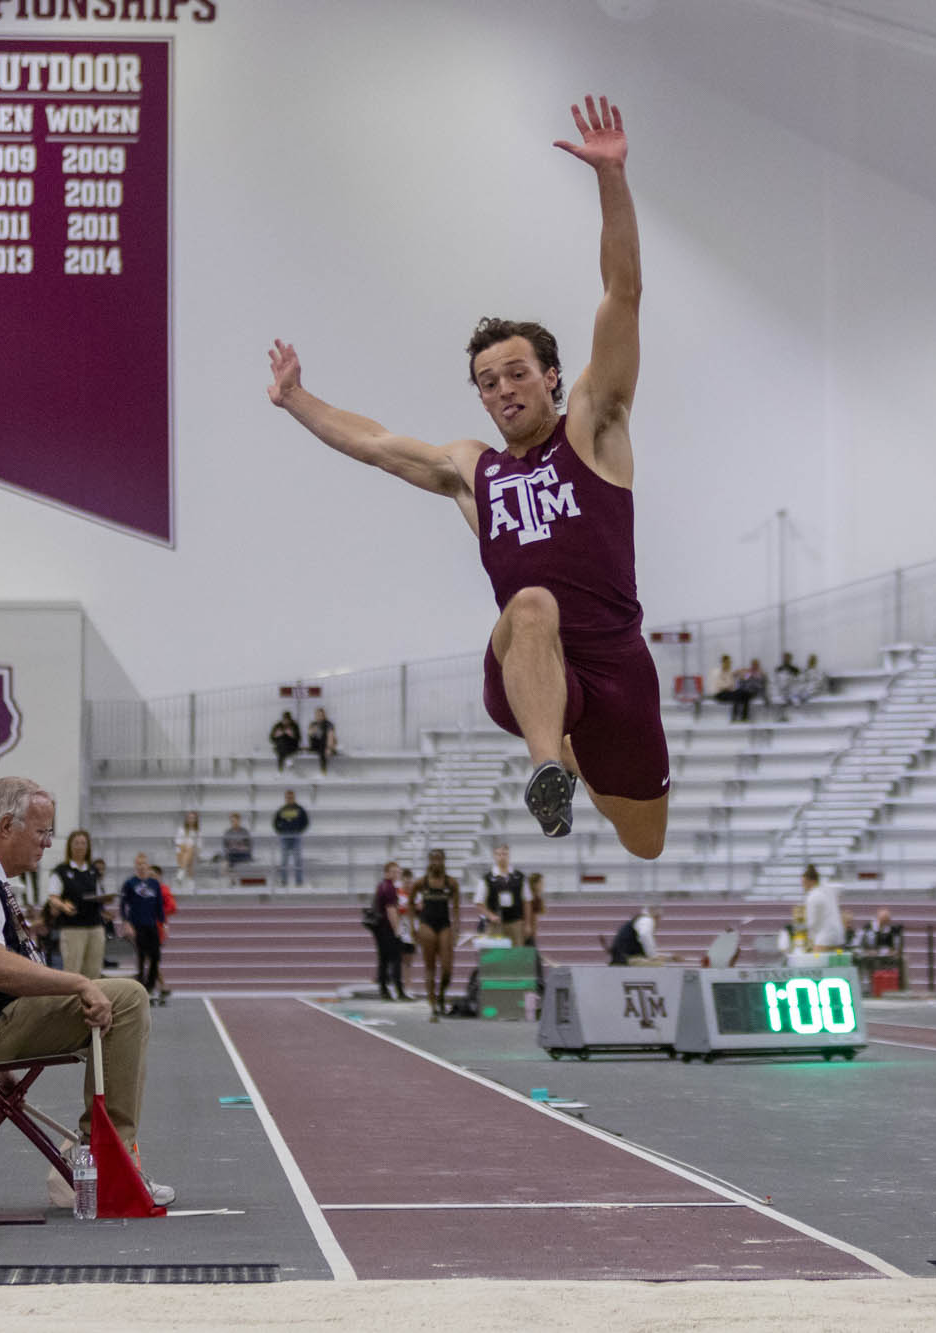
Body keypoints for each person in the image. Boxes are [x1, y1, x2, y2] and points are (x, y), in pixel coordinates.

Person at [266, 95, 668, 860]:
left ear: (552, 377)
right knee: (530, 604)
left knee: (644, 841)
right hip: (522, 663)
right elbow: (376, 442)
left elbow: (623, 295)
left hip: (615, 668)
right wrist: (295, 399)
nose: (503, 389)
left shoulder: (594, 425)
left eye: (517, 372)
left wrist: (610, 178)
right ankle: (548, 766)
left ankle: (573, 758)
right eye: (488, 381)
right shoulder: (469, 470)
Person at [0, 777, 170, 1202]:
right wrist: (79, 982)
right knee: (129, 998)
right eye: (42, 832)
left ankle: (92, 1157)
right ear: (6, 826)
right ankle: (104, 1166)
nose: (47, 843)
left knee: (115, 998)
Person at [44, 829, 110, 981]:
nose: (80, 846)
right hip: (72, 927)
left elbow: (100, 894)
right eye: (76, 843)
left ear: (88, 847)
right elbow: (53, 897)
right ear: (70, 846)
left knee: (94, 971)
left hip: (95, 926)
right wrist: (63, 906)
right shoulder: (61, 870)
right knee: (73, 970)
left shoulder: (93, 870)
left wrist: (106, 899)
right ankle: (72, 1004)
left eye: (83, 843)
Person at [411, 850, 460, 1021]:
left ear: (444, 861)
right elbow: (410, 904)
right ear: (429, 861)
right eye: (434, 859)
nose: (437, 863)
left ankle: (441, 995)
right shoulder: (421, 883)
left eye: (440, 859)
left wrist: (456, 930)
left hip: (444, 925)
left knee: (447, 968)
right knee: (430, 967)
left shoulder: (451, 883)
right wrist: (412, 927)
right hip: (427, 924)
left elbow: (456, 909)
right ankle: (433, 1005)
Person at [119, 852, 167, 1001]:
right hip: (137, 925)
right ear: (135, 866)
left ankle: (150, 985)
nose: (141, 867)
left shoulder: (154, 884)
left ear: (148, 866)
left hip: (152, 924)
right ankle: (141, 987)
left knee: (155, 956)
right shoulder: (130, 883)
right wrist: (126, 922)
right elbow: (123, 905)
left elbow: (159, 904)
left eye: (143, 864)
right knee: (141, 956)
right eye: (138, 864)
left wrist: (163, 923)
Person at [368, 862, 409, 1001]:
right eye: (394, 872)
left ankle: (384, 990)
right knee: (395, 960)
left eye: (398, 872)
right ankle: (399, 991)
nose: (397, 874)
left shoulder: (381, 886)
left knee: (383, 960)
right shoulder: (390, 888)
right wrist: (397, 931)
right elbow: (391, 911)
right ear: (387, 872)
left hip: (380, 928)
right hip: (387, 928)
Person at [477, 843, 530, 946]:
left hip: (516, 922)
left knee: (516, 954)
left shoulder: (520, 877)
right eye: (499, 854)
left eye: (504, 854)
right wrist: (491, 916)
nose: (502, 857)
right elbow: (478, 902)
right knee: (496, 957)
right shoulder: (486, 878)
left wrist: (527, 924)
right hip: (495, 924)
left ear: (509, 855)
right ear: (494, 856)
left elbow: (527, 901)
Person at [801, 864, 845, 949]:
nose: (803, 886)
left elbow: (812, 923)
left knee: (816, 961)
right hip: (839, 937)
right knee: (836, 962)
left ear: (811, 881)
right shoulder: (828, 889)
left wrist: (810, 941)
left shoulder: (812, 897)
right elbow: (840, 887)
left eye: (804, 883)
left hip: (825, 940)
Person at [272, 789, 309, 887]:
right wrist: (280, 831)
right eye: (288, 798)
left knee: (298, 860)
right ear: (285, 798)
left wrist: (299, 830)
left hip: (296, 836)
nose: (289, 799)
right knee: (284, 860)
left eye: (291, 797)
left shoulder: (299, 809)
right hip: (285, 836)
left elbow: (305, 822)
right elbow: (275, 822)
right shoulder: (282, 809)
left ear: (294, 798)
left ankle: (299, 882)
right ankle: (284, 881)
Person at [173, 811, 201, 894]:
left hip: (193, 854)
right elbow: (178, 843)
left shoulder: (198, 832)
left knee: (190, 850)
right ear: (186, 819)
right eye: (189, 818)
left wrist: (190, 849)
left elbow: (199, 846)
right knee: (188, 852)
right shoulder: (181, 830)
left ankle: (181, 872)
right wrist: (187, 848)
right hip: (181, 853)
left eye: (193, 818)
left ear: (196, 820)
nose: (191, 820)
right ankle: (190, 884)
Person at [306, 708, 338, 775]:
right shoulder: (313, 724)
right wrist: (314, 730)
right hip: (316, 745)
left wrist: (329, 748)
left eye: (321, 715)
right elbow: (309, 734)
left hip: (325, 745)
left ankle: (323, 771)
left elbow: (331, 736)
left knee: (324, 747)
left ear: (324, 715)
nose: (319, 717)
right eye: (317, 715)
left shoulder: (328, 724)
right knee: (319, 741)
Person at [525, 872, 547, 947]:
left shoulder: (537, 898)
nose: (543, 885)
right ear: (535, 884)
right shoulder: (531, 899)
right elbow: (532, 918)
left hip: (531, 932)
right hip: (527, 932)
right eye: (541, 883)